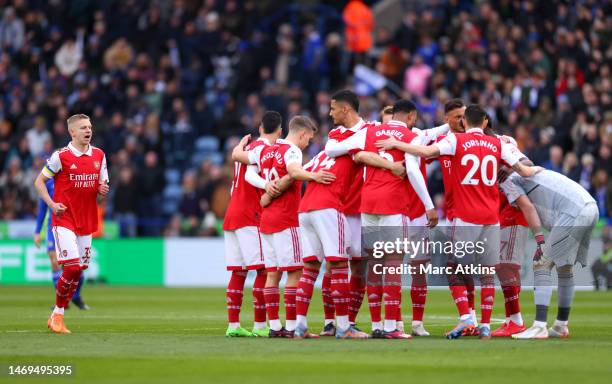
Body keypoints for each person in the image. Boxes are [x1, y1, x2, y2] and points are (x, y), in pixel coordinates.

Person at [376, 104, 539, 339]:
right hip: (491, 215)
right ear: (484, 122)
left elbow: (424, 153)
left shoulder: (454, 142)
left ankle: (466, 318)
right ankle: (482, 323)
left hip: (465, 216)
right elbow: (525, 170)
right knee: (485, 271)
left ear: (465, 122)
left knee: (455, 268)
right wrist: (545, 174)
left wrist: (396, 144)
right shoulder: (500, 143)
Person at [326, 99, 439, 339]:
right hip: (393, 204)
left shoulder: (369, 131)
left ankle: (376, 324)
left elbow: (332, 150)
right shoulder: (410, 137)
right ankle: (390, 328)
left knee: (375, 266)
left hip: (367, 204)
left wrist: (364, 155)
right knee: (393, 265)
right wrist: (429, 206)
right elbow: (414, 171)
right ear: (410, 117)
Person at [234, 115, 334, 338]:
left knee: (272, 274)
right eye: (308, 139)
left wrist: (266, 191)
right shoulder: (292, 151)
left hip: (267, 219)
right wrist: (315, 176)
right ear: (301, 134)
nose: (307, 144)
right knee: (295, 271)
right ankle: (291, 327)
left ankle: (275, 326)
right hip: (287, 219)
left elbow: (247, 168)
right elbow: (295, 172)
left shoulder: (266, 149)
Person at [500, 168, 599, 339]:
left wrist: (539, 241)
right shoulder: (524, 168)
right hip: (590, 206)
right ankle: (561, 325)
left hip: (573, 210)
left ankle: (539, 326)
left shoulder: (507, 179)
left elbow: (528, 207)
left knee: (541, 263)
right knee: (564, 267)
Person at [34, 114, 109, 334]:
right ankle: (58, 314)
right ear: (72, 132)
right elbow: (39, 181)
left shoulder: (99, 155)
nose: (88, 130)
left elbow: (101, 188)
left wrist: (102, 191)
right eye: (83, 127)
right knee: (72, 267)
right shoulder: (61, 156)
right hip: (64, 218)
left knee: (79, 270)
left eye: (90, 127)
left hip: (86, 219)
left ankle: (56, 314)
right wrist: (51, 204)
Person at [223, 111, 283, 337]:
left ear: (259, 128)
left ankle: (234, 325)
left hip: (233, 213)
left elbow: (233, 186)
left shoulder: (245, 149)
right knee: (263, 269)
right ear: (279, 131)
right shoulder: (264, 150)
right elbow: (250, 177)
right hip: (250, 215)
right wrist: (268, 185)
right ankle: (260, 326)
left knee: (238, 272)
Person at [34, 178, 89, 310]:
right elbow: (43, 208)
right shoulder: (47, 182)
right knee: (54, 261)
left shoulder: (73, 177)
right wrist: (37, 231)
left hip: (72, 225)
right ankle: (62, 300)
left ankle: (75, 296)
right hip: (53, 226)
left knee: (76, 265)